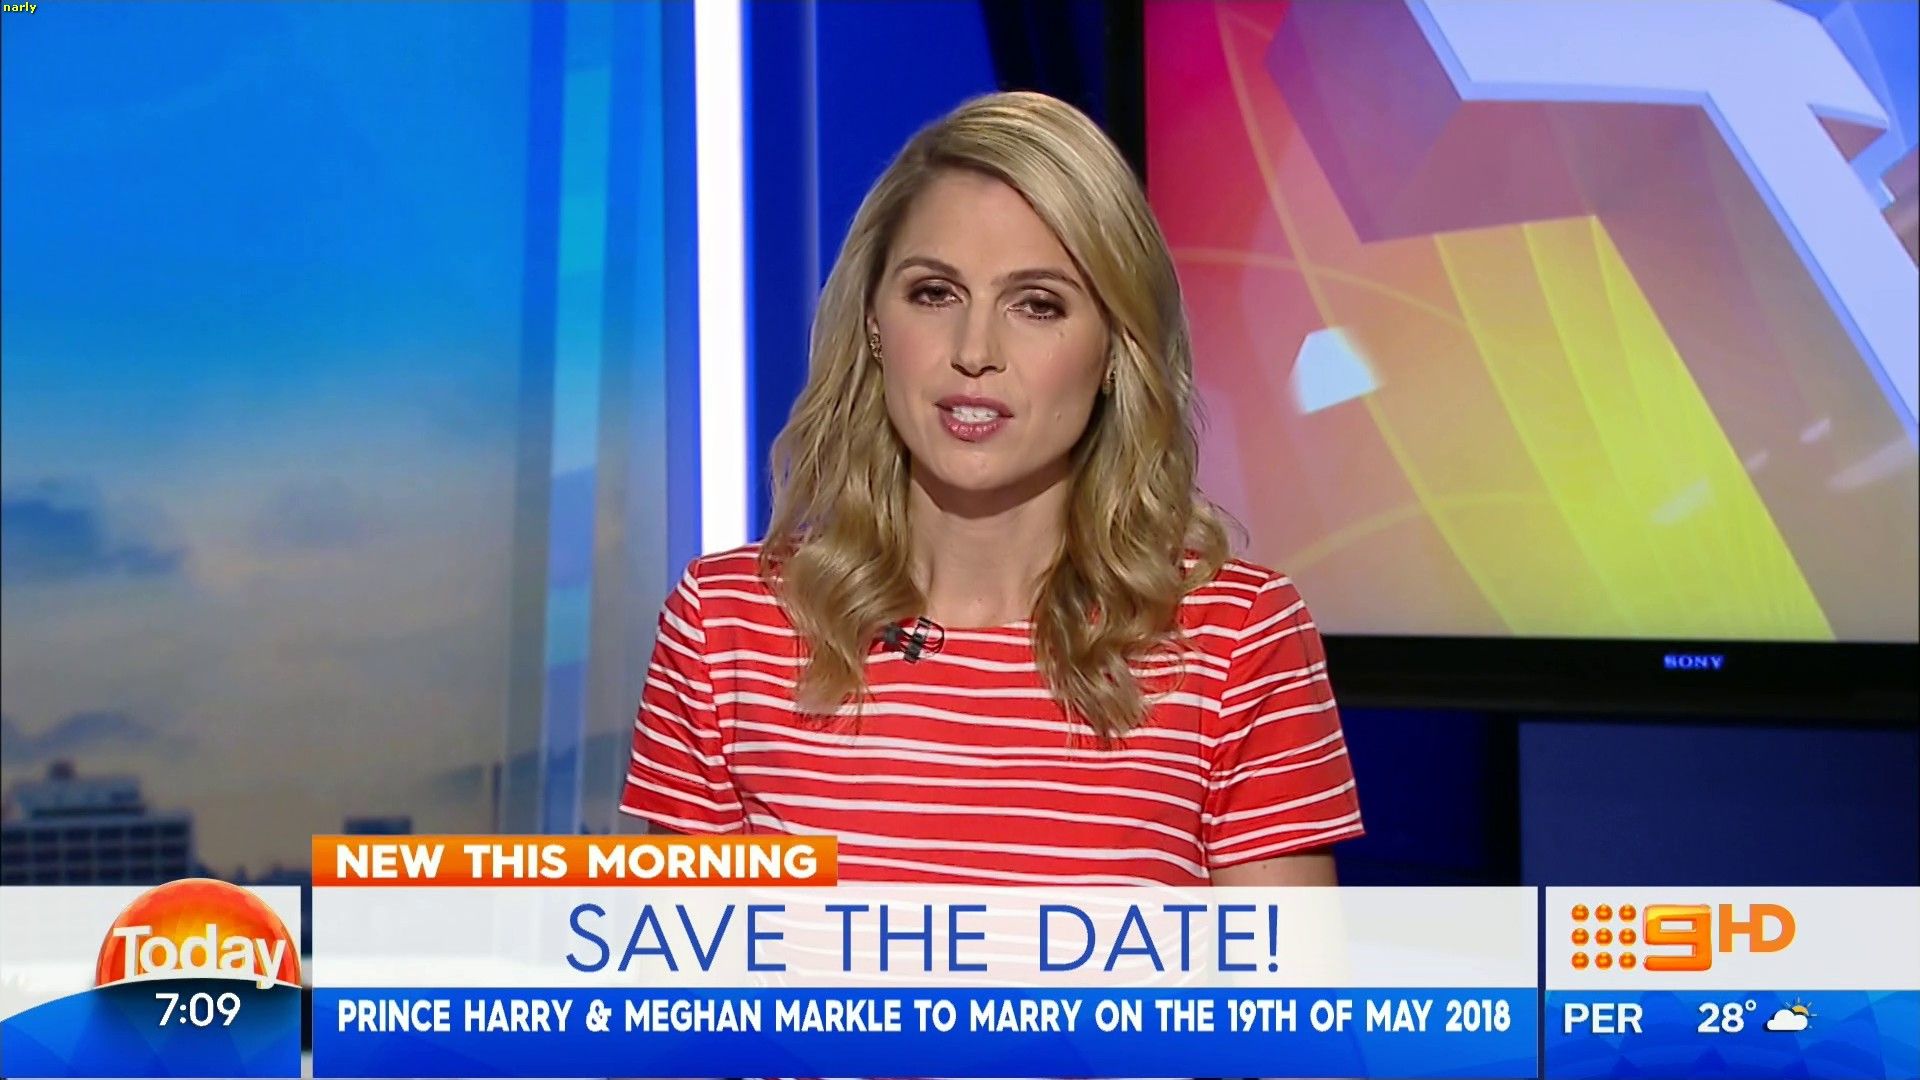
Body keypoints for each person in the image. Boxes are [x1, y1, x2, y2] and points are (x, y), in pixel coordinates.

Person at [620, 91, 1362, 887]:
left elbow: (1284, 973)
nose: (974, 351)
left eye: (1037, 305)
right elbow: (687, 968)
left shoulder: (1236, 641)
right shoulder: (725, 631)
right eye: (934, 294)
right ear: (874, 324)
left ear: (1116, 350)